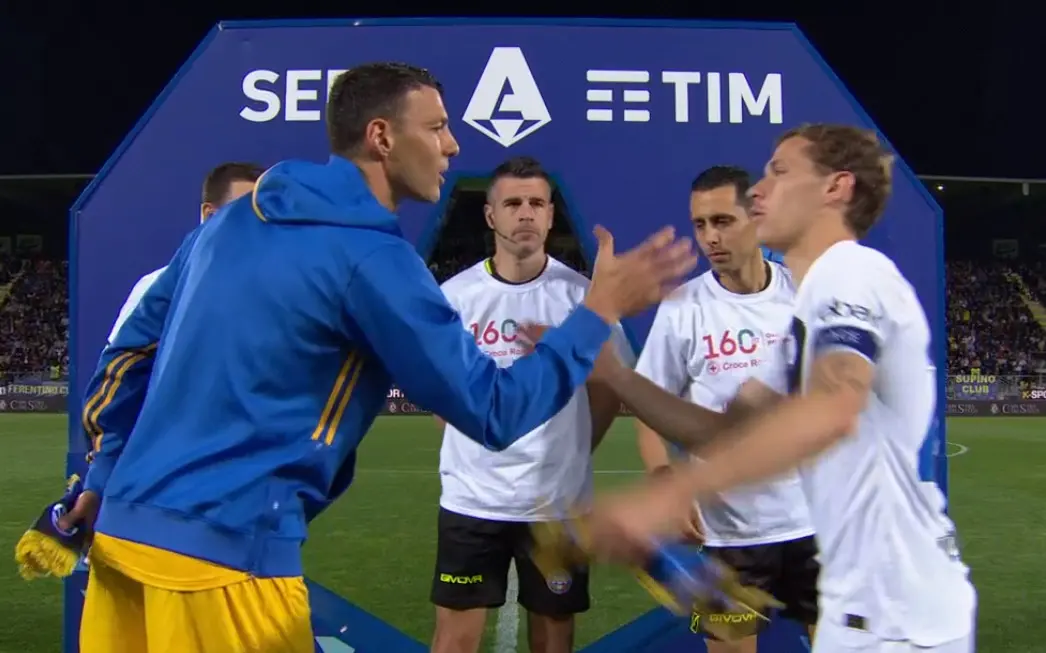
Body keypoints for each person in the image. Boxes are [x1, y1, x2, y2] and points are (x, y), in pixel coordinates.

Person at [67, 62, 697, 653]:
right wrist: (598, 312)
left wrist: (102, 476)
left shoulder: (226, 226)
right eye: (437, 127)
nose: (452, 145)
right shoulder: (373, 261)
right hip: (224, 562)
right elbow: (495, 409)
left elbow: (129, 355)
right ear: (382, 137)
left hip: (121, 542)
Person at [585, 124, 976, 653]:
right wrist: (616, 376)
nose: (761, 191)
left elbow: (833, 406)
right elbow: (722, 431)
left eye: (780, 172)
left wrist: (671, 495)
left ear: (835, 188)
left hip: (894, 600)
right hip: (843, 584)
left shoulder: (852, 272)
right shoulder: (805, 307)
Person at [430, 156, 634, 653]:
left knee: (554, 635)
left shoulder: (583, 299)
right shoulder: (454, 297)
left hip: (557, 502)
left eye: (537, 203)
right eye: (513, 203)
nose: (526, 213)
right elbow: (439, 392)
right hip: (472, 500)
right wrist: (475, 449)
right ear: (490, 215)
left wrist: (576, 449)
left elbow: (609, 387)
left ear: (550, 215)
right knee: (454, 638)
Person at [634, 165, 817, 652]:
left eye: (722, 221)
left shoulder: (804, 295)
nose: (710, 237)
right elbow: (650, 408)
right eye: (700, 225)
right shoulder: (684, 308)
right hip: (729, 536)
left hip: (818, 522)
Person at [105, 162, 264, 344]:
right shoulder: (157, 289)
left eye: (261, 215)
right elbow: (121, 357)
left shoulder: (276, 291)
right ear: (209, 215)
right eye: (242, 214)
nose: (255, 226)